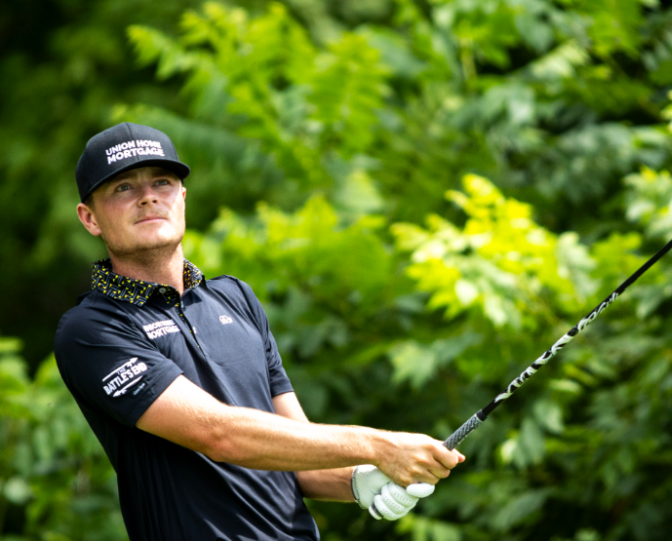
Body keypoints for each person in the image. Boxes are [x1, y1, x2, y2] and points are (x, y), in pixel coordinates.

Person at [53, 123, 463, 540]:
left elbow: (299, 448)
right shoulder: (92, 328)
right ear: (90, 219)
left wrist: (360, 480)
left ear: (183, 197)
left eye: (163, 181)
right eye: (123, 188)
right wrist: (380, 447)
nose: (148, 196)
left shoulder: (236, 298)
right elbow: (218, 434)